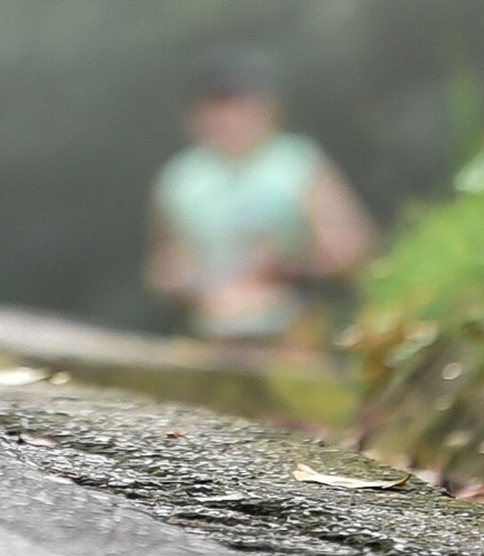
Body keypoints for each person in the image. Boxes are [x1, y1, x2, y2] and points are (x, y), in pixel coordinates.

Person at [146, 48, 377, 345]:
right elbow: (162, 267)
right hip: (214, 333)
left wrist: (286, 268)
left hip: (293, 329)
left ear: (268, 107)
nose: (229, 118)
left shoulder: (298, 163)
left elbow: (354, 251)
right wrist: (190, 279)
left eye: (239, 104)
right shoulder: (180, 179)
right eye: (217, 106)